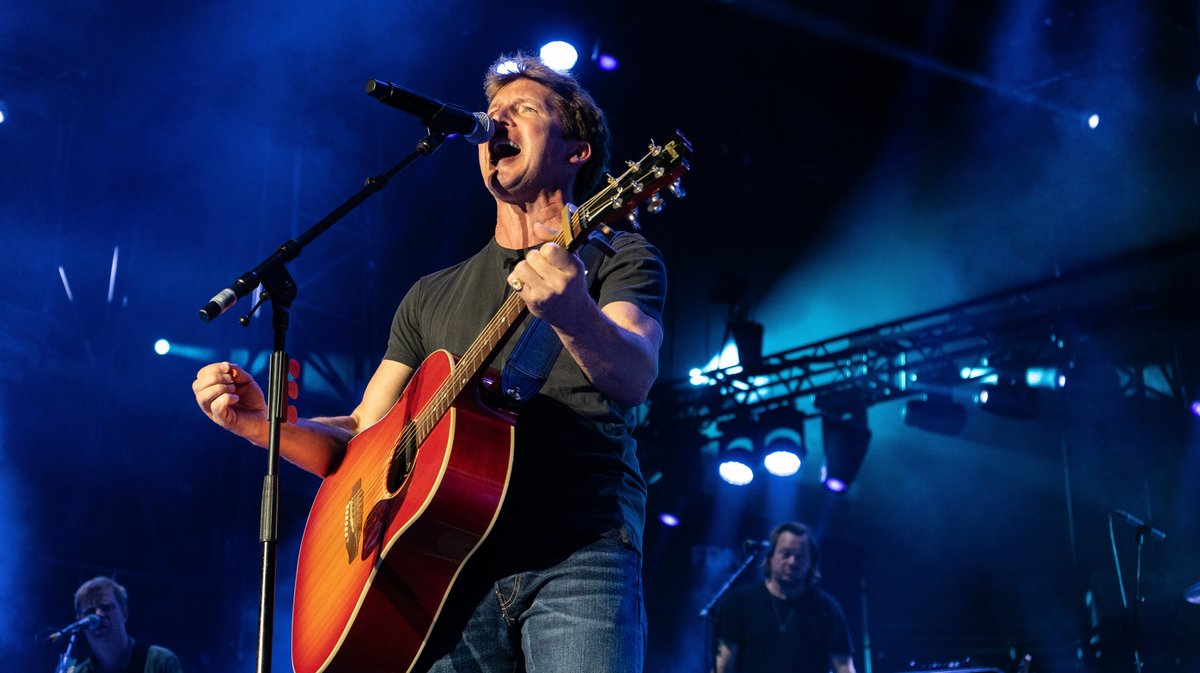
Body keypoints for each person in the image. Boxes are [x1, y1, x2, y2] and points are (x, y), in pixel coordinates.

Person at [192, 52, 666, 673]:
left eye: (523, 110)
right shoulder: (429, 295)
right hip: (444, 566)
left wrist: (573, 311)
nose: (497, 123)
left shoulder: (616, 254)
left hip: (577, 547)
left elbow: (633, 375)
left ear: (576, 151)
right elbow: (364, 435)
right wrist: (263, 427)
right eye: (492, 113)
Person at [714, 522, 855, 673]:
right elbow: (723, 665)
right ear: (770, 557)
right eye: (786, 554)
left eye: (799, 557)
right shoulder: (740, 601)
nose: (792, 562)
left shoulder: (827, 608)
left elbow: (843, 666)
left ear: (811, 564)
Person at [70, 576, 183, 673]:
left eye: (106, 607)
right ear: (80, 622)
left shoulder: (160, 661)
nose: (98, 615)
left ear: (124, 614)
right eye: (90, 612)